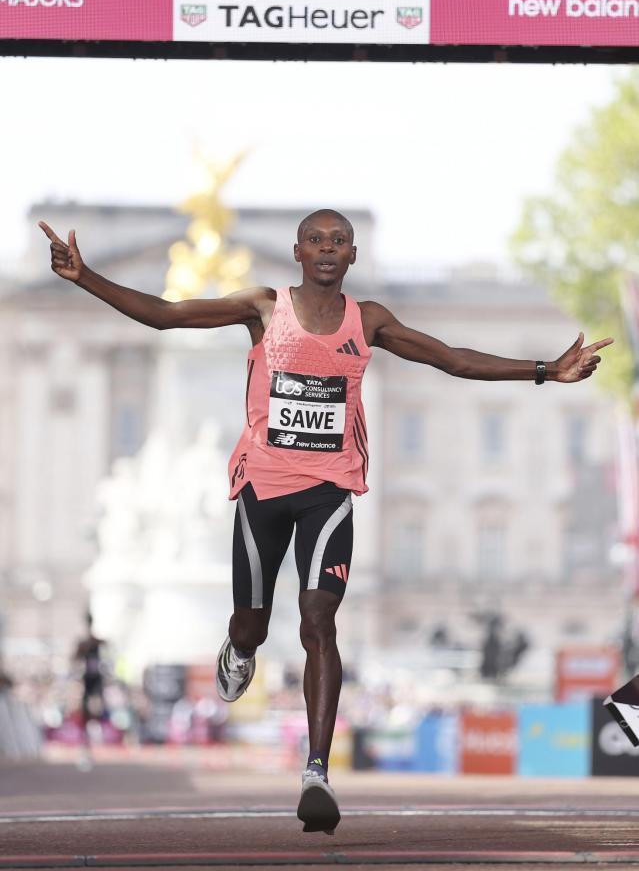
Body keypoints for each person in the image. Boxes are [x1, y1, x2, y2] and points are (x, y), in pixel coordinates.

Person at [40, 211, 614, 831]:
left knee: (318, 622)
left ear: (352, 255)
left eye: (338, 241)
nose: (327, 249)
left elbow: (450, 359)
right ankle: (240, 648)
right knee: (253, 624)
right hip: (263, 490)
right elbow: (167, 315)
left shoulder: (368, 321)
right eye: (315, 240)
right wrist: (85, 277)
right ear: (297, 251)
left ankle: (316, 770)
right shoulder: (264, 308)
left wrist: (545, 371)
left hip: (329, 491)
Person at [72, 611, 108, 770]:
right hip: (88, 679)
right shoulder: (85, 643)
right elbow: (75, 657)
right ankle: (87, 743)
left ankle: (94, 736)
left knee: (96, 708)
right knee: (87, 711)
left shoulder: (95, 641)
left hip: (96, 680)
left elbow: (106, 645)